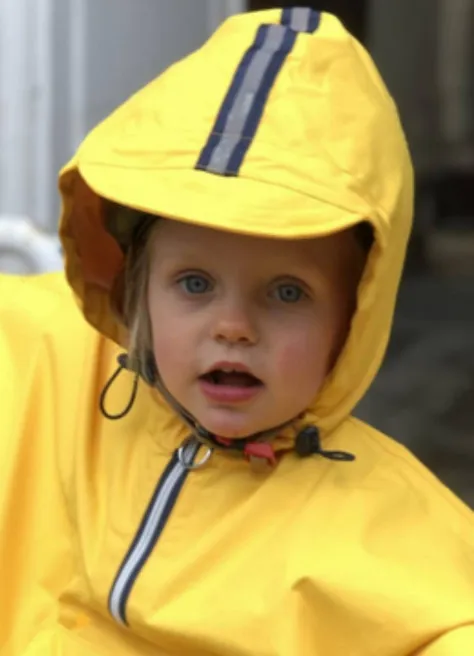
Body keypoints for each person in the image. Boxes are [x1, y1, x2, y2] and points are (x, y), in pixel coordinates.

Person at [0, 6, 473, 655]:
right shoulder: (50, 359)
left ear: (353, 317)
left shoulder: (396, 531)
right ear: (137, 285)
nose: (232, 327)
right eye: (194, 283)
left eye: (287, 292)